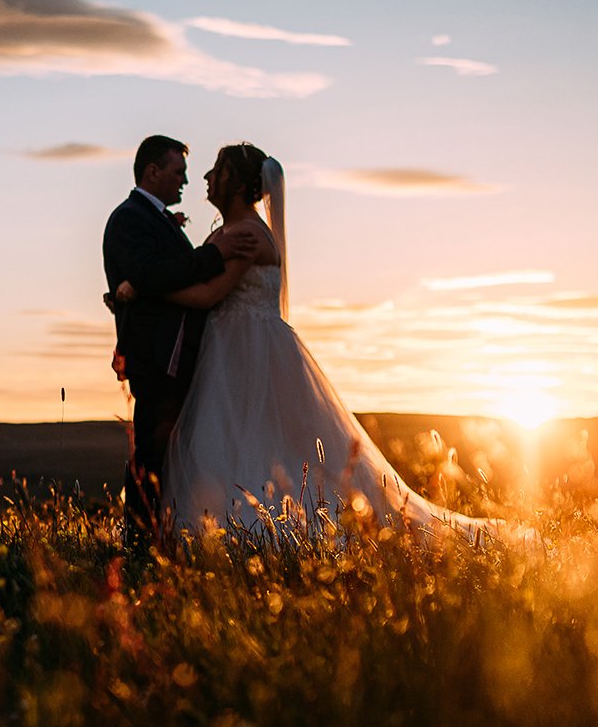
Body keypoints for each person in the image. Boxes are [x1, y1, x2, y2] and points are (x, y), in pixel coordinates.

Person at [110, 142, 517, 545]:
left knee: (257, 440)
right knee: (236, 439)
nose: (203, 177)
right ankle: (188, 530)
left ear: (235, 182)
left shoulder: (248, 234)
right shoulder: (226, 233)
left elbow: (207, 295)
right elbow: (193, 276)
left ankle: (245, 528)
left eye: (216, 169)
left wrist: (138, 291)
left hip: (249, 351)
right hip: (230, 349)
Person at [101, 135, 261, 550]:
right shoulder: (129, 219)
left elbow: (160, 278)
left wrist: (136, 289)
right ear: (152, 172)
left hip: (175, 353)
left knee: (165, 446)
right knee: (152, 448)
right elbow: (157, 273)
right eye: (178, 172)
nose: (186, 181)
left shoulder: (154, 217)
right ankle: (139, 538)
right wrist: (214, 252)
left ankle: (155, 533)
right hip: (156, 355)